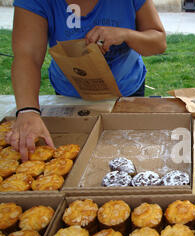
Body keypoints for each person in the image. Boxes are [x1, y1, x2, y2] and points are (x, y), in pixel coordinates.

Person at [7, 0, 167, 161]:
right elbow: (27, 56)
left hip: (126, 90)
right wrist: (28, 111)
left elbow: (159, 42)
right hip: (70, 94)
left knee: (130, 151)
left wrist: (126, 34)